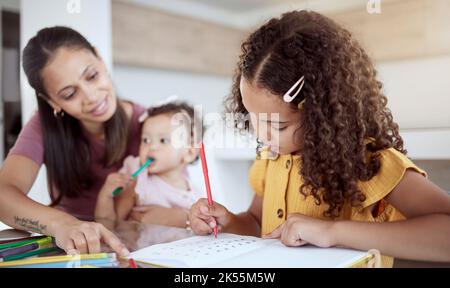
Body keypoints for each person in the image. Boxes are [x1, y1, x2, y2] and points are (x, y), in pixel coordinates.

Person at [188, 11, 450, 267]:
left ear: (321, 115)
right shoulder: (271, 155)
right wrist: (229, 222)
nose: (259, 133)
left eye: (276, 125)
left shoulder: (367, 161)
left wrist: (333, 231)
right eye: (252, 116)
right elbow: (257, 222)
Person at [0, 26, 147, 256]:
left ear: (100, 60)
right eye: (69, 94)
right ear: (51, 101)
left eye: (92, 76)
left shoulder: (148, 123)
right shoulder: (43, 127)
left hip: (138, 250)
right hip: (73, 254)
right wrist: (62, 224)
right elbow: (3, 195)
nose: (91, 96)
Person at [95, 100, 204, 228]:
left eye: (163, 140)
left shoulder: (197, 195)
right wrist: (105, 195)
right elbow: (109, 227)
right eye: (146, 140)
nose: (151, 147)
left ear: (190, 153)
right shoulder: (138, 182)